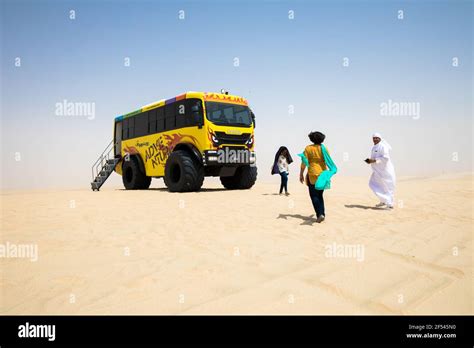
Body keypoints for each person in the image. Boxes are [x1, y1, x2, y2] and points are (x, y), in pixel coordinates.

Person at [299, 131, 337, 223]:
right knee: (320, 195)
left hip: (312, 174)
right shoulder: (324, 149)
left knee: (314, 195)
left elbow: (304, 162)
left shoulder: (308, 148)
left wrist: (301, 173)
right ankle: (322, 214)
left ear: (312, 139)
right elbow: (327, 160)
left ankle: (319, 214)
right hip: (323, 174)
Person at [365, 133, 396, 209]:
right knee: (375, 184)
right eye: (374, 138)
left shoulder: (383, 146)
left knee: (387, 187)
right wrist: (370, 161)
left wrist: (374, 161)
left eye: (376, 138)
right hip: (377, 171)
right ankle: (383, 201)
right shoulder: (374, 147)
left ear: (380, 139)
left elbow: (385, 158)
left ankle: (390, 204)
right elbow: (374, 158)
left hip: (385, 171)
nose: (375, 139)